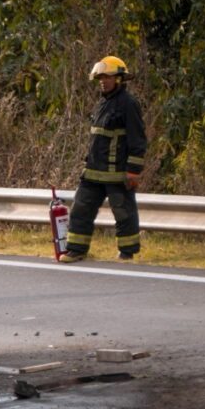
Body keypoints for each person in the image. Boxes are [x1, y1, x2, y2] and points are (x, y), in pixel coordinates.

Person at [60, 55, 146, 263]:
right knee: (81, 210)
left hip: (117, 173)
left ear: (118, 79)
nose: (102, 82)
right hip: (93, 172)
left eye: (106, 78)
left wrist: (133, 170)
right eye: (100, 78)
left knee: (123, 213)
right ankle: (76, 250)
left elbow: (138, 140)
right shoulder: (102, 104)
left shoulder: (128, 104)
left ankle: (127, 252)